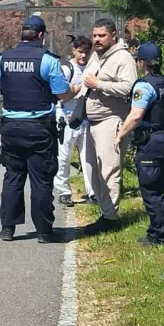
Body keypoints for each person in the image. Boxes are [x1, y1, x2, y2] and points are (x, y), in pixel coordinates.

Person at [0, 15, 75, 244]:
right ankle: (44, 231)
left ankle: (8, 229)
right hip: (39, 129)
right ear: (41, 35)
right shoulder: (48, 60)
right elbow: (62, 94)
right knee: (41, 180)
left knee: (13, 177)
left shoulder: (2, 59)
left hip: (11, 128)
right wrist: (75, 90)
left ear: (22, 33)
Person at [114, 42, 164, 246]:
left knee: (151, 192)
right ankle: (155, 232)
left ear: (141, 62)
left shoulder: (144, 86)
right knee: (158, 189)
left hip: (152, 142)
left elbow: (135, 116)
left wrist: (120, 135)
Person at [80, 18, 138, 234]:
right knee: (92, 171)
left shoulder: (123, 58)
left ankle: (111, 219)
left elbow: (130, 88)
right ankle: (105, 212)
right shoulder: (96, 55)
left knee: (109, 170)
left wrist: (99, 84)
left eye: (101, 35)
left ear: (113, 35)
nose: (97, 39)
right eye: (94, 35)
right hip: (91, 121)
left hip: (112, 120)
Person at [54, 35, 93, 207]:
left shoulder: (91, 68)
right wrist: (80, 88)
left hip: (86, 119)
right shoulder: (67, 69)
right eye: (80, 52)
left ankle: (92, 192)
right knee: (63, 157)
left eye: (86, 52)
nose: (83, 55)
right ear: (74, 51)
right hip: (66, 118)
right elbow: (61, 95)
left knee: (89, 158)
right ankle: (64, 192)